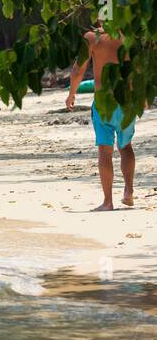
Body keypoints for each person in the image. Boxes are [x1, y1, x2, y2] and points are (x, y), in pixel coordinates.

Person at [66, 26, 136, 210]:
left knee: (105, 150)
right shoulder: (129, 34)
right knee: (126, 146)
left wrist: (72, 93)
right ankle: (128, 191)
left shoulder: (92, 37)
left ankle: (108, 202)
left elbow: (78, 70)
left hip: (104, 100)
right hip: (126, 99)